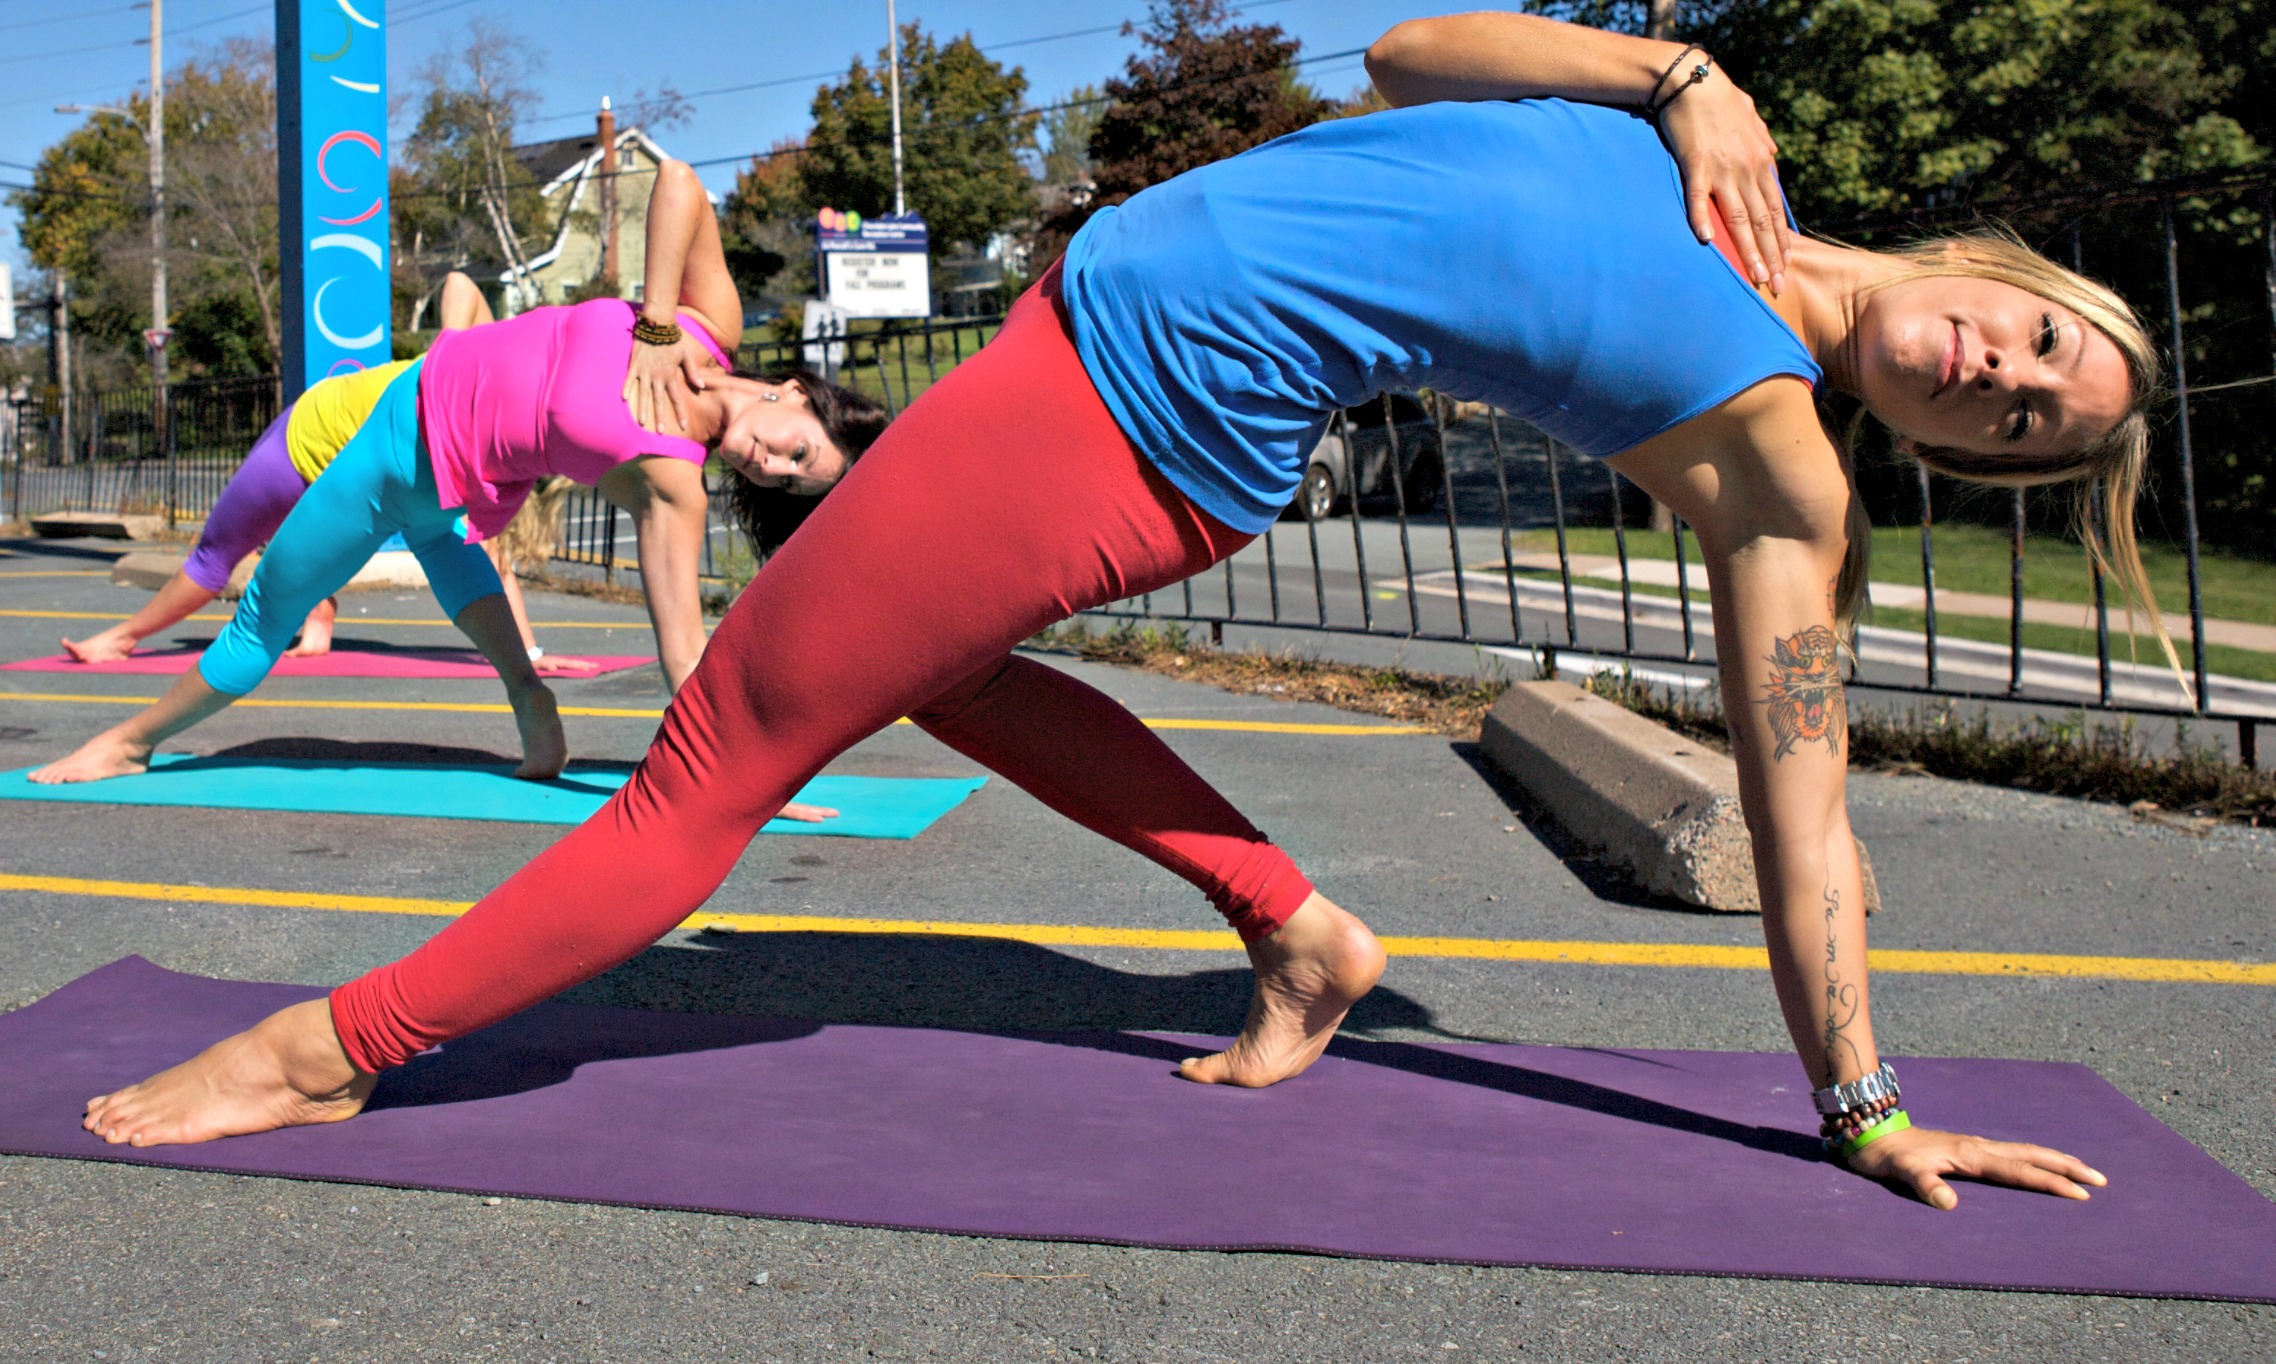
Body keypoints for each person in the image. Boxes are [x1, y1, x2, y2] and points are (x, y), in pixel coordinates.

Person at [84, 14, 2161, 1212]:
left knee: (720, 747)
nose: (1999, 380)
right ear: (2014, 277)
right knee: (930, 661)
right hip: (1093, 343)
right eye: (2042, 350)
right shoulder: (1722, 152)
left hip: (1133, 424)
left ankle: (334, 1049)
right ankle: (1298, 921)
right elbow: (1407, 52)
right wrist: (1673, 70)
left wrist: (1863, 1103)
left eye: (2020, 432)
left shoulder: (1776, 468)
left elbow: (1805, 809)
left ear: (1950, 453)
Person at [29, 157, 887, 789]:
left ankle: (129, 743)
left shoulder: (674, 481)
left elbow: (683, 649)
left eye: (782, 483)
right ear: (795, 393)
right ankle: (529, 702)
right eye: (796, 451)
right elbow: (681, 183)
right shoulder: (707, 324)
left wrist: (749, 779)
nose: (768, 465)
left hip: (403, 456)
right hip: (430, 422)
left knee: (269, 608)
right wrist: (657, 324)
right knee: (401, 566)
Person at [57, 275, 596, 677]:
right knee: (217, 554)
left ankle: (318, 623)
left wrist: (531, 656)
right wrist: (449, 351)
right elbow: (458, 281)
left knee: (331, 539)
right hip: (307, 438)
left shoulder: (493, 460)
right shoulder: (479, 381)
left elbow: (491, 560)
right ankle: (120, 638)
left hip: (359, 457)